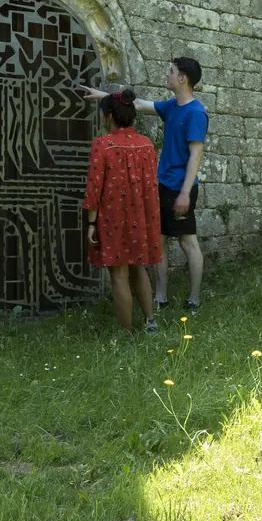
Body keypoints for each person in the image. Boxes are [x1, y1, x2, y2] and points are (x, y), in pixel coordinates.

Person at [83, 57, 208, 313]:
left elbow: (196, 154)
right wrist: (103, 96)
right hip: (162, 185)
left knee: (188, 242)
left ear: (182, 79)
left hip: (181, 187)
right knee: (158, 240)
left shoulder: (196, 112)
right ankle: (160, 297)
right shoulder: (172, 106)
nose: (167, 74)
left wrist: (184, 193)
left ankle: (194, 298)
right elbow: (136, 104)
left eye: (171, 71)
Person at [82, 88, 162, 334]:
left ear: (107, 117)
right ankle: (150, 322)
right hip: (142, 216)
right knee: (139, 267)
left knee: (118, 275)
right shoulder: (147, 145)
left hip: (112, 217)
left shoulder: (102, 145)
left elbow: (94, 187)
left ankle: (126, 332)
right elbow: (151, 185)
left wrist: (91, 223)